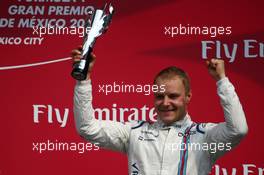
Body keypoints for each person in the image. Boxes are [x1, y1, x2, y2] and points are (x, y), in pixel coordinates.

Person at [72, 48, 248, 175]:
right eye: (159, 96)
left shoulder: (204, 136)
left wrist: (222, 81)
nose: (165, 103)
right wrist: (84, 80)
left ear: (188, 97)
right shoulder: (134, 132)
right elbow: (87, 128)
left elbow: (238, 130)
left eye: (173, 96)